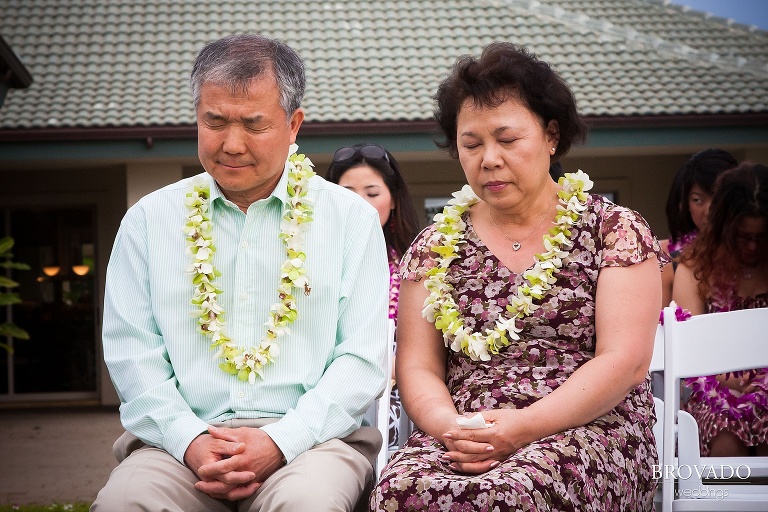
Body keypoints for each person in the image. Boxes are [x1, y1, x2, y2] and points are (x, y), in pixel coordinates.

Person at [92, 34, 390, 511]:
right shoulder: (150, 221)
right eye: (214, 121)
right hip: (176, 448)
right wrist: (189, 441)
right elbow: (132, 354)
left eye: (254, 124)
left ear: (294, 125)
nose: (231, 144)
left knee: (306, 505)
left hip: (313, 445)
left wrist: (279, 442)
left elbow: (362, 358)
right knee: (126, 504)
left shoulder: (348, 219)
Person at [370, 42, 667, 511]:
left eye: (507, 140)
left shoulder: (613, 230)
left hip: (588, 428)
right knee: (399, 490)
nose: (488, 158)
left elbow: (624, 361)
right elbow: (418, 367)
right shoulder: (433, 247)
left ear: (551, 136)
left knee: (512, 493)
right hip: (466, 433)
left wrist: (523, 427)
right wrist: (450, 426)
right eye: (471, 144)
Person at [326, 143, 420, 451]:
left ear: (393, 199)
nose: (361, 204)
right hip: (331, 386)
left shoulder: (416, 260)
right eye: (348, 192)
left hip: (400, 386)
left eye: (372, 192)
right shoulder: (307, 262)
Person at [673, 162, 768, 457]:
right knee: (724, 431)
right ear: (723, 229)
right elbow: (690, 347)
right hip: (713, 387)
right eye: (742, 237)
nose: (752, 247)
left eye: (761, 238)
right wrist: (735, 382)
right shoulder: (694, 267)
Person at [659, 149, 737, 306]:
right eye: (698, 200)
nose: (709, 210)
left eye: (718, 199)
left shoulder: (757, 255)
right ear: (686, 204)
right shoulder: (670, 263)